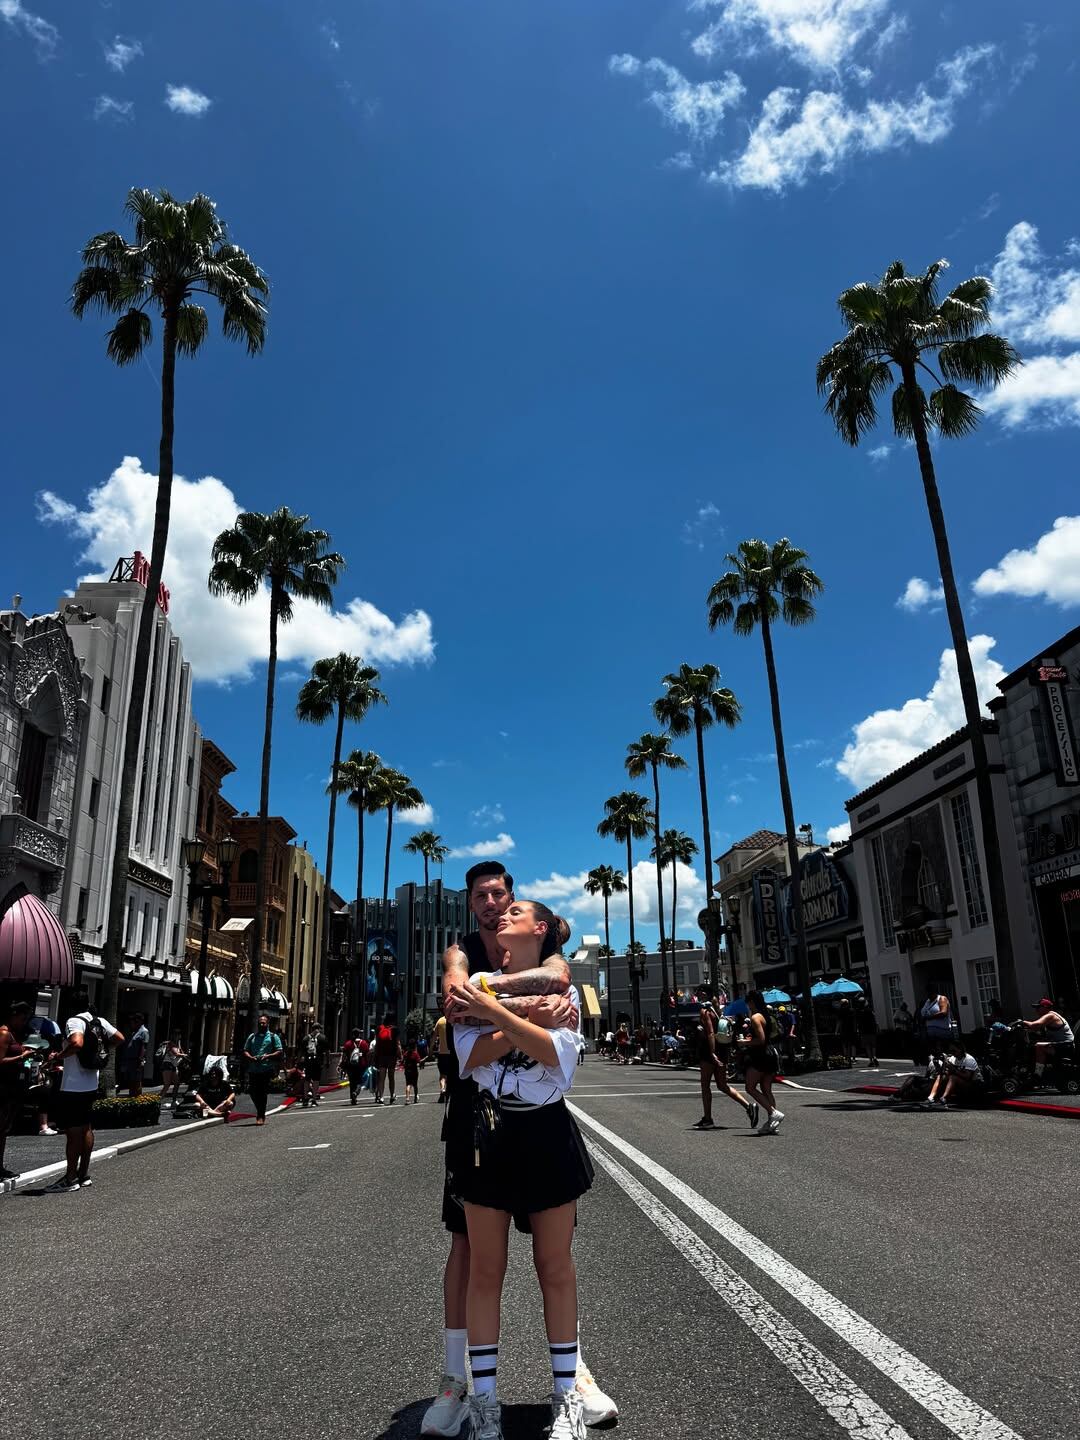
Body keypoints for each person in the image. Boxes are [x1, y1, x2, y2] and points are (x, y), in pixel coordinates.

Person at [421, 861, 615, 1439]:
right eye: (482, 896)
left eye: (503, 897)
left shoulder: (546, 953)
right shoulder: (461, 951)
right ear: (470, 903)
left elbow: (559, 981)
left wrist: (494, 1004)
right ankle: (462, 1385)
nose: (494, 906)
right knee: (473, 1253)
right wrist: (518, 1006)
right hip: (477, 1120)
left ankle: (570, 1379)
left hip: (541, 1126)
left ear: (518, 902)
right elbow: (458, 1002)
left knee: (554, 1263)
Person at [449, 899, 593, 1440]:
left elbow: (559, 1060)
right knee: (486, 1272)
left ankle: (565, 1397)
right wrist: (526, 1020)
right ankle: (484, 1403)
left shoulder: (565, 985)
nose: (501, 915)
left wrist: (500, 1021)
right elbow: (469, 1056)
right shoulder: (480, 980)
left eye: (514, 911)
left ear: (541, 929)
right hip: (490, 1132)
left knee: (555, 1267)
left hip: (547, 1132)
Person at [46, 990, 123, 1193]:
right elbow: (119, 1038)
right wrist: (101, 1049)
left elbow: (77, 1043)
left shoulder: (74, 1021)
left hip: (73, 1085)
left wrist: (59, 1056)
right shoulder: (98, 1021)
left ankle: (70, 1178)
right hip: (91, 1083)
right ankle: (83, 1174)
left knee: (73, 1133)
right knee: (86, 1128)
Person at [693, 1003, 756, 1132]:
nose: (700, 995)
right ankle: (749, 1106)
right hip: (722, 1050)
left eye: (701, 993)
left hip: (709, 1052)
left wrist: (712, 1052)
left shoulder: (705, 1012)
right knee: (722, 1085)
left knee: (705, 1085)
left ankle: (708, 1119)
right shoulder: (718, 1012)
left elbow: (710, 1033)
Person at [0, 1001, 34, 1179]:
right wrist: (22, 1056)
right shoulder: (4, 1033)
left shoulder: (13, 1034)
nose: (23, 1022)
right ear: (13, 1016)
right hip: (2, 1086)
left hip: (11, 1086)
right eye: (22, 1018)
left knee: (4, 1128)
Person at [742, 991, 784, 1136]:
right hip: (771, 1053)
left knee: (750, 1087)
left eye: (748, 1002)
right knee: (766, 1089)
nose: (747, 1006)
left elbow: (760, 1040)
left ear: (752, 1002)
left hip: (761, 1055)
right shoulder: (765, 1015)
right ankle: (772, 1123)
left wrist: (744, 1042)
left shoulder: (755, 1017)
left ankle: (773, 1113)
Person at [243, 1013, 283, 1126]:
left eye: (264, 1023)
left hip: (266, 1069)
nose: (262, 1024)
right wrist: (251, 1057)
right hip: (253, 1068)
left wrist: (268, 1056)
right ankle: (260, 1109)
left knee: (262, 1092)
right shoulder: (252, 1037)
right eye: (260, 1023)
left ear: (268, 1024)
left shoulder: (273, 1037)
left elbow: (279, 1050)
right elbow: (245, 1050)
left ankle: (261, 1115)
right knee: (252, 1091)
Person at [1021, 998, 1076, 1077]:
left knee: (1039, 1046)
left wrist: (1021, 1022)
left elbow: (1034, 1025)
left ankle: (1037, 1075)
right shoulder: (1050, 1016)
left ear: (1045, 1007)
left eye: (1038, 1007)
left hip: (1066, 1046)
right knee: (1034, 1044)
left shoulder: (1050, 1016)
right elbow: (1035, 1029)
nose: (1036, 1010)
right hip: (1063, 1045)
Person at [924, 1040, 983, 1108]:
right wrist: (942, 1068)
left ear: (960, 1050)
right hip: (961, 1081)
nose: (952, 1053)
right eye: (951, 1051)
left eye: (954, 1051)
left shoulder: (969, 1059)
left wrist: (954, 1070)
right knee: (941, 1076)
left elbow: (967, 1077)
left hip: (974, 1083)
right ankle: (931, 1097)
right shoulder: (953, 1058)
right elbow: (946, 1072)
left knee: (953, 1077)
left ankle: (944, 1098)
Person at [117, 1011, 149, 1096]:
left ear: (141, 1021)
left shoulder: (144, 1031)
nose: (134, 1022)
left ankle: (137, 1099)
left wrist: (140, 1060)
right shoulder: (135, 1031)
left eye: (136, 1021)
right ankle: (132, 1098)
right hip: (130, 1060)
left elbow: (144, 1047)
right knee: (131, 1081)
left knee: (137, 1081)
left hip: (136, 1060)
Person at [918, 983, 954, 1059]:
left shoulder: (942, 999)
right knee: (933, 1056)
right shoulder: (927, 1001)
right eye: (927, 993)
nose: (928, 995)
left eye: (930, 992)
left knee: (942, 1054)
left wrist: (928, 1017)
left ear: (935, 992)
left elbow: (943, 1012)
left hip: (942, 1033)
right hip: (929, 1034)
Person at [373, 1012, 401, 1105]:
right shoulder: (395, 1029)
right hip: (392, 1056)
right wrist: (400, 1056)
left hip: (381, 1056)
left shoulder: (379, 1028)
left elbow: (376, 1044)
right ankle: (392, 1095)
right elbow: (398, 1044)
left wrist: (375, 1056)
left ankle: (381, 1097)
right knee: (391, 1077)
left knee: (382, 1077)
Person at [301, 1023, 328, 1107]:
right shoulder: (323, 1038)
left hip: (308, 1062)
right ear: (319, 1029)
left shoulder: (306, 1038)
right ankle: (314, 1099)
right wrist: (327, 1062)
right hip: (318, 1062)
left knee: (307, 1080)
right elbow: (327, 1051)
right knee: (316, 1080)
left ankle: (305, 1098)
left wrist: (300, 1062)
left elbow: (301, 1051)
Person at [342, 1029, 370, 1105]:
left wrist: (343, 1064)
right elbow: (367, 1055)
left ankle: (352, 1098)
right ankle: (356, 1092)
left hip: (350, 1065)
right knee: (360, 1081)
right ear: (359, 1035)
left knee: (352, 1082)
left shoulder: (348, 1043)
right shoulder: (364, 1043)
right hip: (361, 1065)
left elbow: (344, 1055)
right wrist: (368, 1064)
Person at [159, 1032, 186, 1107]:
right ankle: (156, 1101)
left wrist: (181, 1050)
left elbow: (179, 1052)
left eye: (179, 1035)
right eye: (177, 1034)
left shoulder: (178, 1044)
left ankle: (174, 1101)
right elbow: (176, 1053)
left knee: (177, 1083)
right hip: (167, 1064)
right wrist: (184, 1055)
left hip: (173, 1065)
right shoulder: (170, 1043)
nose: (178, 1036)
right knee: (167, 1084)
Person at [432, 1013, 453, 1103]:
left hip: (442, 1052)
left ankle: (442, 1089)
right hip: (452, 1053)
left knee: (443, 1075)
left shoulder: (440, 1021)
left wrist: (430, 1051)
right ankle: (450, 1093)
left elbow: (433, 1037)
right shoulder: (455, 1020)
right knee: (452, 1075)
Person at [403, 1030, 425, 1104]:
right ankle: (415, 1097)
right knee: (415, 1085)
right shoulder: (415, 1054)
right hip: (414, 1071)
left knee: (408, 1084)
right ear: (415, 1045)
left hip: (407, 1071)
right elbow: (419, 1061)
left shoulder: (406, 1053)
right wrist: (425, 1058)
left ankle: (407, 1098)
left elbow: (403, 1061)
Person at [857, 1002, 879, 1068]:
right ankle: (874, 1056)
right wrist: (877, 1029)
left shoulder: (861, 1013)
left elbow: (859, 1023)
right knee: (873, 1046)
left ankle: (870, 1061)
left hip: (864, 1032)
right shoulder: (871, 1013)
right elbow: (875, 1022)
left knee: (867, 1046)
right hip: (872, 1031)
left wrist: (859, 1031)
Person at [836, 998, 857, 1065]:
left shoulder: (840, 1011)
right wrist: (856, 1028)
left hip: (844, 1030)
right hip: (852, 1029)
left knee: (845, 1044)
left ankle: (846, 1058)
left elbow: (839, 1022)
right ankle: (853, 1058)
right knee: (853, 1044)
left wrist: (836, 1030)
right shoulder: (852, 1010)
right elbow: (855, 1021)